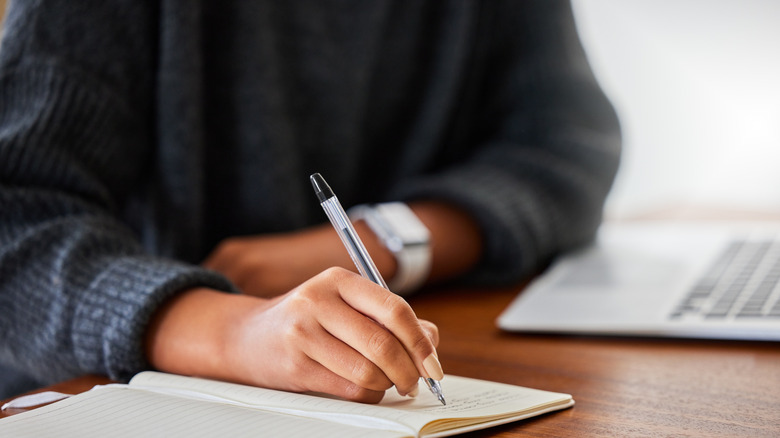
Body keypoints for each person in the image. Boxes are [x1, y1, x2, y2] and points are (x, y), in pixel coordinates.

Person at [0, 0, 620, 401]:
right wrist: (235, 331)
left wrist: (382, 240)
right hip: (105, 383)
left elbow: (568, 146)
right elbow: (18, 217)